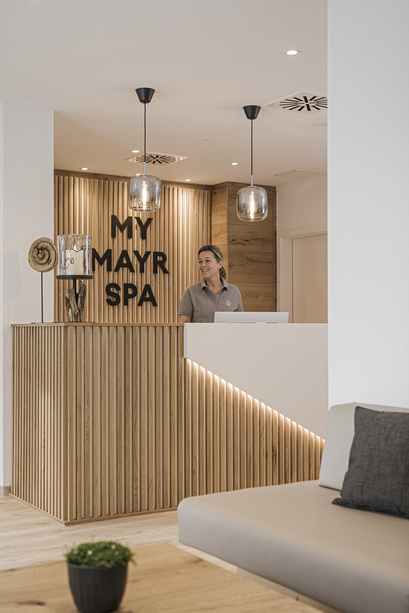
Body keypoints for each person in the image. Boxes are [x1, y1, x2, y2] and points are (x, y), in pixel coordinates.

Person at [178, 245, 243, 323]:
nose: (203, 265)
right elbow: (184, 324)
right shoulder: (191, 291)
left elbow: (240, 324)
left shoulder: (234, 291)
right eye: (200, 261)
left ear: (220, 264)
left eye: (207, 260)